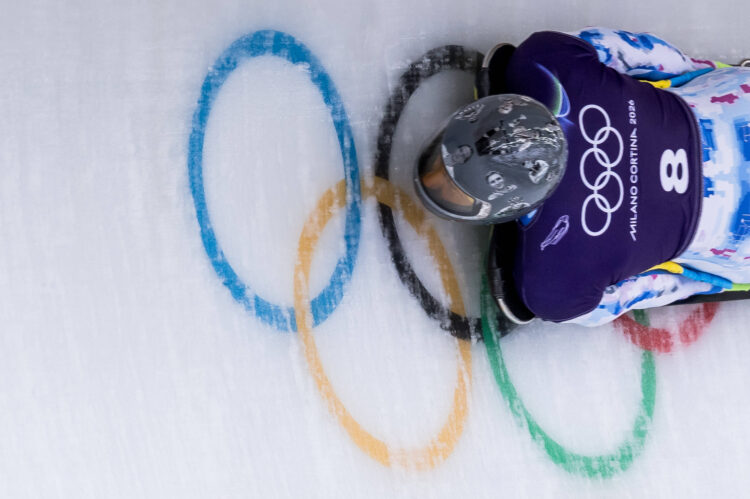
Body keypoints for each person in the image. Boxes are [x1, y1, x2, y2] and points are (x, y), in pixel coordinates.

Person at [413, 27, 750, 326]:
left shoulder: (556, 285)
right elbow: (649, 54)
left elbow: (655, 287)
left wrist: (704, 281)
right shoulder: (545, 60)